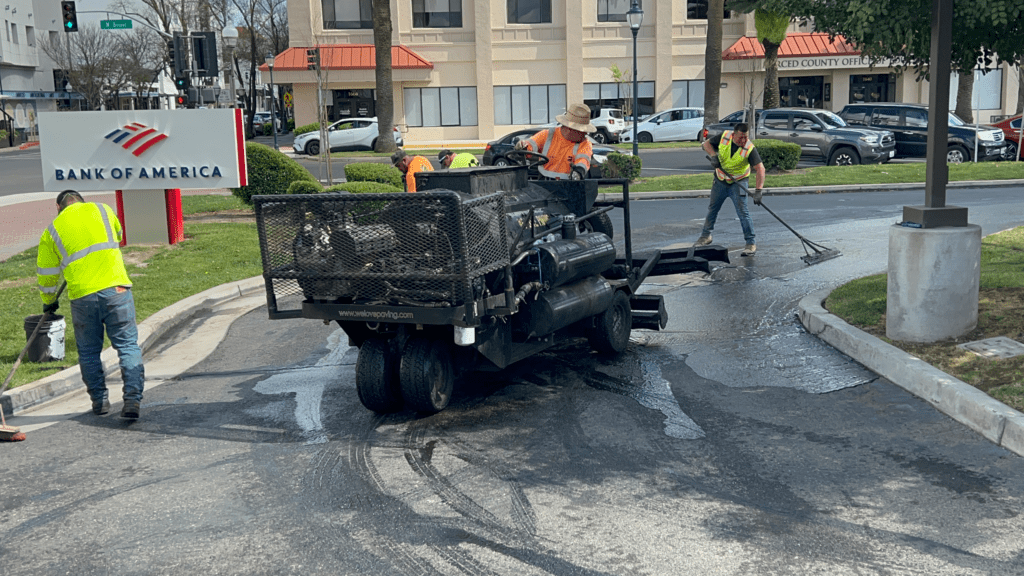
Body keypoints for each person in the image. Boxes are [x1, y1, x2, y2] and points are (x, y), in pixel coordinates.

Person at [36, 190, 145, 419]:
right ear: (81, 201)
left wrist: (49, 302)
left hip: (82, 296)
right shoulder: (103, 210)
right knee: (127, 345)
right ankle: (132, 399)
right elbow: (118, 234)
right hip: (117, 289)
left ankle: (100, 400)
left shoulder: (53, 230)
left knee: (88, 351)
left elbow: (47, 274)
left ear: (59, 207)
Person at [695, 122, 766, 256]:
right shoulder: (724, 137)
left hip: (738, 182)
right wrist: (714, 157)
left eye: (745, 138)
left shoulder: (749, 148)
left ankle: (750, 243)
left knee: (743, 212)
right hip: (720, 180)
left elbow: (760, 169)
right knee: (713, 208)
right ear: (734, 134)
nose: (743, 141)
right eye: (740, 138)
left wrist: (758, 191)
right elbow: (706, 145)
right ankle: (706, 236)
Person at [514, 102, 594, 180]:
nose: (585, 133)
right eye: (582, 131)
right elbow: (530, 145)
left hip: (569, 184)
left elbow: (583, 160)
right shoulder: (548, 134)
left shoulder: (585, 143)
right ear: (570, 129)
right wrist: (523, 146)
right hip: (545, 182)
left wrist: (579, 172)